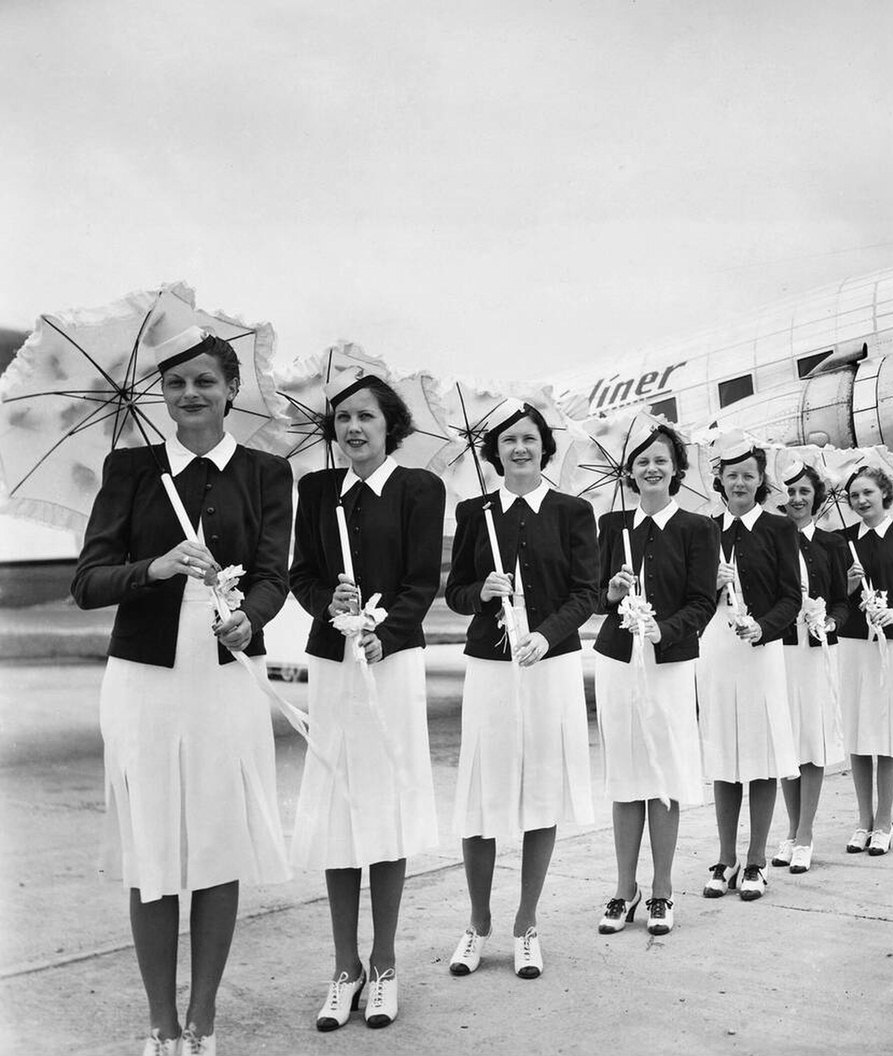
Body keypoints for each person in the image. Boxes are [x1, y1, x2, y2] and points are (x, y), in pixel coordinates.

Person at [71, 312, 293, 1056]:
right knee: (153, 852)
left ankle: (204, 1021)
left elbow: (272, 574)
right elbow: (87, 582)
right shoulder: (131, 471)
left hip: (224, 678)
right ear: (163, 393)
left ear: (232, 389)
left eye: (206, 381)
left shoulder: (265, 473)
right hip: (145, 682)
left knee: (218, 846)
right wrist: (156, 568)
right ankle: (160, 1025)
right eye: (177, 383)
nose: (191, 393)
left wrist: (248, 622)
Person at [288, 371, 445, 1031]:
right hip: (334, 666)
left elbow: (420, 579)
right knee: (339, 811)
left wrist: (387, 630)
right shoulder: (318, 490)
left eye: (366, 417)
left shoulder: (418, 488)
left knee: (384, 807)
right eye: (343, 417)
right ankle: (344, 966)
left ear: (390, 426)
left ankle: (383, 963)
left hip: (392, 663)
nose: (352, 428)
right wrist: (332, 605)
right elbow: (302, 573)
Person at [444, 402, 599, 980]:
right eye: (508, 440)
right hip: (489, 667)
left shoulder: (572, 511)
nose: (520, 449)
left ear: (544, 446)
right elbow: (455, 591)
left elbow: (587, 594)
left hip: (549, 666)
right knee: (483, 796)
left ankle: (526, 924)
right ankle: (478, 924)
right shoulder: (473, 511)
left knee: (540, 792)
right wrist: (480, 591)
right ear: (496, 450)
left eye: (529, 439)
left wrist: (545, 634)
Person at [593, 425, 718, 936]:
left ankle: (662, 889)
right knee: (625, 775)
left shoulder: (697, 527)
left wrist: (660, 629)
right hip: (618, 662)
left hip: (667, 664)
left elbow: (702, 603)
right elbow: (594, 596)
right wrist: (612, 590)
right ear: (630, 470)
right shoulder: (611, 524)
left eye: (660, 460)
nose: (651, 468)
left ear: (675, 468)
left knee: (663, 774)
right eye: (642, 460)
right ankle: (626, 887)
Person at [698, 442, 801, 900]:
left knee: (759, 756)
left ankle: (757, 859)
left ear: (761, 481)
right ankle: (725, 857)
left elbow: (791, 598)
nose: (739, 482)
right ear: (720, 479)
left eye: (748, 475)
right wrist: (708, 582)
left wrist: (763, 627)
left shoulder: (779, 529)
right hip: (717, 647)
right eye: (732, 474)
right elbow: (689, 596)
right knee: (724, 755)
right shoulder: (704, 530)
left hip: (760, 647)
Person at [839, 467, 893, 853]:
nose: (860, 501)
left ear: (884, 494)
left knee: (890, 730)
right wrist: (849, 584)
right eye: (854, 495)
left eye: (867, 493)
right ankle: (862, 820)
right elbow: (836, 599)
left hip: (891, 642)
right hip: (854, 644)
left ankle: (883, 821)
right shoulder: (843, 542)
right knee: (858, 730)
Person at [775, 462, 850, 869]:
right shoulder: (771, 539)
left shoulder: (832, 544)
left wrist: (832, 619)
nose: (797, 498)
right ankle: (790, 829)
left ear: (815, 497)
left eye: (804, 491)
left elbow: (842, 599)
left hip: (818, 649)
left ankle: (805, 834)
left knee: (813, 741)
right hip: (782, 650)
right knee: (789, 742)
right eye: (790, 491)